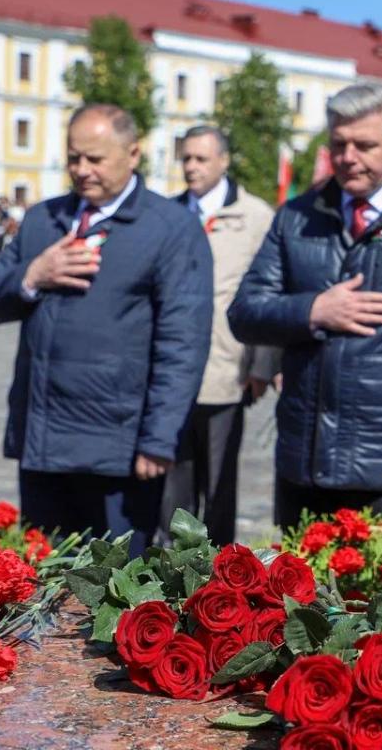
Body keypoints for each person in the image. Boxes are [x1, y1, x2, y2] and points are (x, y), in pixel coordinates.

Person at [227, 84, 382, 527]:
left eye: (365, 145)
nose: (348, 157)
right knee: (299, 598)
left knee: (381, 599)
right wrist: (312, 312)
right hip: (303, 464)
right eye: (338, 144)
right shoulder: (296, 218)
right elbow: (245, 313)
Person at [0, 103, 213, 558]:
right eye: (73, 157)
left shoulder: (171, 229)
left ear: (133, 153)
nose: (82, 170)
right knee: (43, 588)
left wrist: (159, 437)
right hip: (43, 439)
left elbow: (182, 342)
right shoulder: (45, 220)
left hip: (119, 449)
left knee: (113, 597)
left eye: (95, 159)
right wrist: (33, 274)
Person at [157, 125, 279, 546]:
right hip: (172, 371)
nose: (191, 167)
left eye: (201, 158)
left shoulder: (256, 216)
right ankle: (171, 570)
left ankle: (220, 576)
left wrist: (263, 363)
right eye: (186, 158)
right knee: (173, 483)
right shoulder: (168, 213)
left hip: (227, 370)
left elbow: (270, 292)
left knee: (220, 482)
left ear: (224, 161)